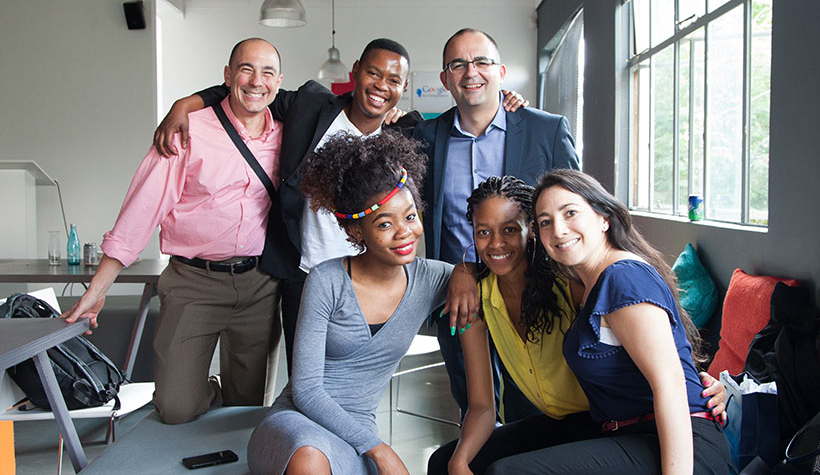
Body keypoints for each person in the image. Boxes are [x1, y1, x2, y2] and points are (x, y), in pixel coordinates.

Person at [152, 39, 526, 375]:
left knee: (355, 378)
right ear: (355, 72)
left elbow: (470, 113)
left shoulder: (406, 132)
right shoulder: (310, 106)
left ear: (403, 89)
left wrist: (509, 100)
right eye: (373, 73)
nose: (381, 85)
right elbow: (249, 91)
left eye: (393, 80)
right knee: (305, 378)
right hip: (304, 275)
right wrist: (184, 105)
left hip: (367, 281)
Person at [428, 176, 727, 475]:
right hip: (613, 427)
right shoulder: (588, 280)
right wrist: (462, 269)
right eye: (546, 221)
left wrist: (705, 385)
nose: (558, 229)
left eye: (570, 213)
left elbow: (671, 379)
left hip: (665, 436)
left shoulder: (608, 279)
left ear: (604, 217)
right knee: (444, 462)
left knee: (507, 472)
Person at [63, 38, 286, 424]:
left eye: (267, 72)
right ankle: (207, 388)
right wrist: (97, 290)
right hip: (192, 282)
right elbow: (140, 211)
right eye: (246, 69)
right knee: (176, 407)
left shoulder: (287, 134)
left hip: (259, 285)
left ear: (279, 82)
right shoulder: (186, 129)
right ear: (227, 76)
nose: (256, 81)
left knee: (247, 410)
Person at [246, 130, 452, 475]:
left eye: (411, 216)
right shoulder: (326, 279)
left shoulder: (432, 278)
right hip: (298, 424)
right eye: (384, 223)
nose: (404, 232)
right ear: (356, 232)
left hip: (355, 433)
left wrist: (463, 273)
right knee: (309, 458)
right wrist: (379, 450)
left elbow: (490, 273)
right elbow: (307, 390)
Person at [413, 28, 580, 420]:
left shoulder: (546, 130)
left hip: (536, 293)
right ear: (445, 79)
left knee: (535, 407)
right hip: (458, 294)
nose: (471, 72)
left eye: (482, 61)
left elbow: (577, 211)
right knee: (473, 403)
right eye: (458, 64)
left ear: (501, 71)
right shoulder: (425, 138)